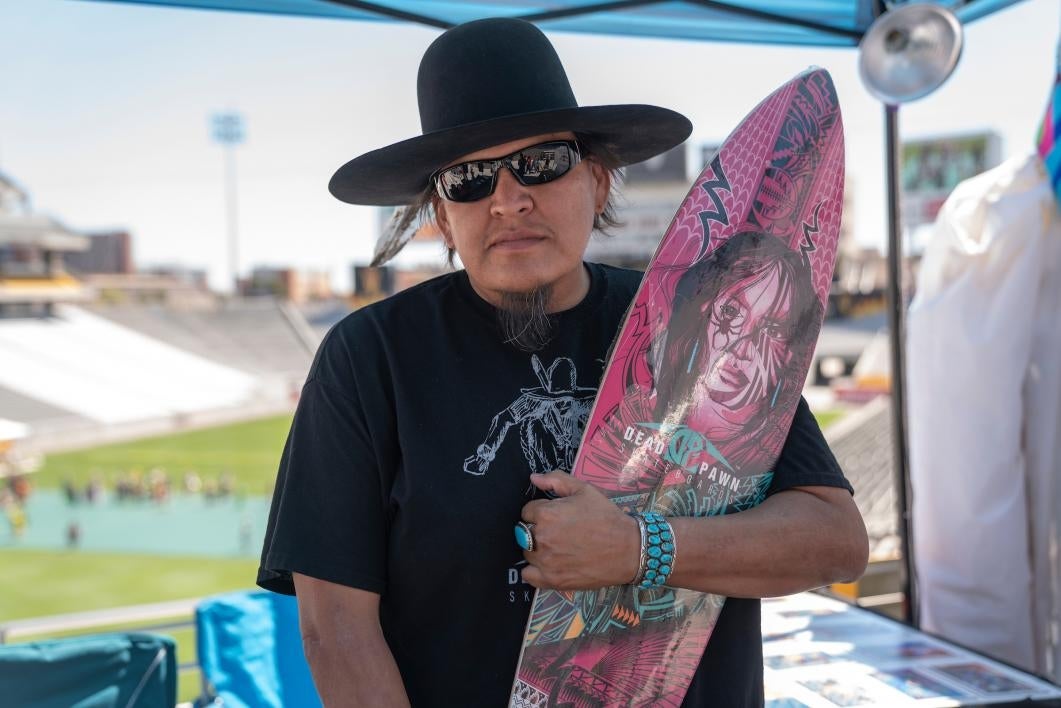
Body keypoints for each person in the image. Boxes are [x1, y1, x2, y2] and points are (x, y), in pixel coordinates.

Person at [258, 17, 867, 708]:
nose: (509, 199)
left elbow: (834, 540)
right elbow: (335, 627)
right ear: (439, 212)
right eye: (469, 179)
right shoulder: (370, 356)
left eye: (542, 162)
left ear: (598, 182)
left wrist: (642, 548)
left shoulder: (701, 323)